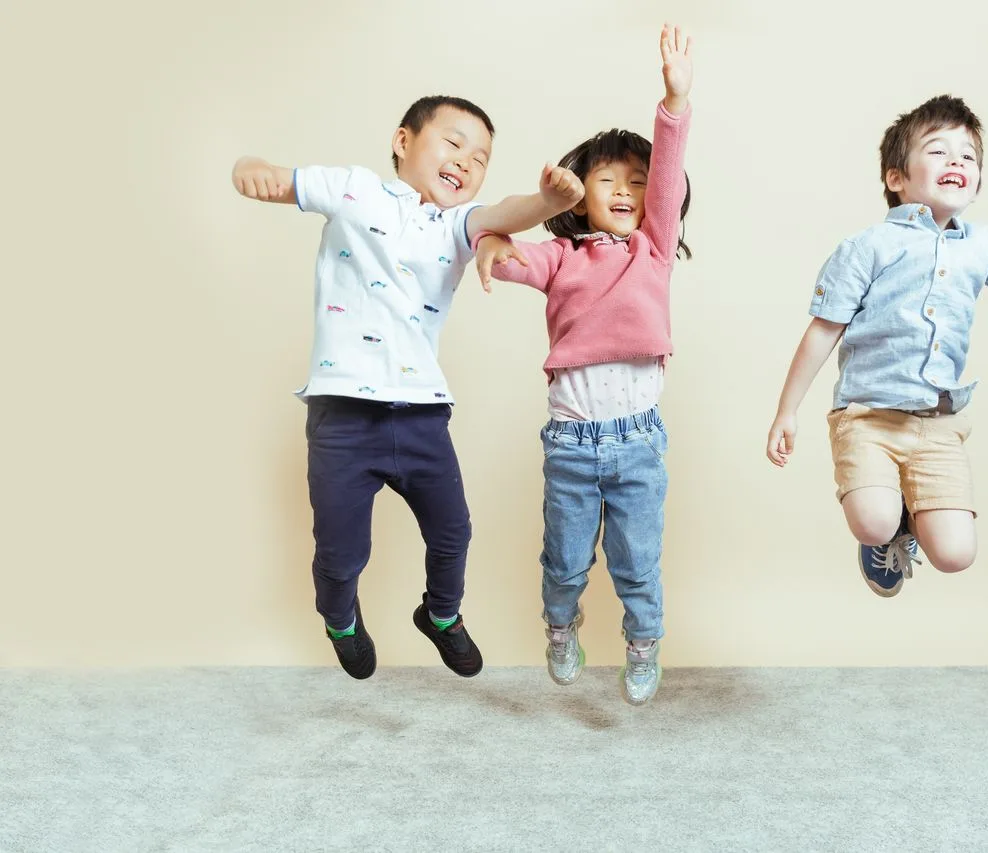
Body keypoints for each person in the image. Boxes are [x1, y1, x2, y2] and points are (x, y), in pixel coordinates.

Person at [231, 95, 585, 679]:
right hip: (342, 416)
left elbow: (502, 212)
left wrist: (546, 202)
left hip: (422, 417)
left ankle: (441, 615)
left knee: (454, 532)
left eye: (481, 158)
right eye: (453, 143)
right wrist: (252, 165)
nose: (465, 162)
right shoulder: (353, 189)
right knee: (342, 553)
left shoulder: (456, 226)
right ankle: (340, 618)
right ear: (403, 141)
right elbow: (275, 177)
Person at [766, 95, 988, 598]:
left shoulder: (986, 246)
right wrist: (787, 411)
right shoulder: (867, 247)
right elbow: (823, 330)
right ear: (896, 178)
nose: (957, 161)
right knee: (873, 521)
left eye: (968, 155)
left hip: (939, 425)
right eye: (939, 151)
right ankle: (888, 528)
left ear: (978, 182)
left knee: (957, 554)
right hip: (868, 416)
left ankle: (910, 521)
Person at [471, 24, 693, 704]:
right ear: (582, 194)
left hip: (637, 441)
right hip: (571, 441)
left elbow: (663, 182)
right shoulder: (560, 257)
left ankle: (644, 642)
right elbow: (505, 251)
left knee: (637, 562)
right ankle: (561, 626)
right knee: (565, 562)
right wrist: (488, 242)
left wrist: (674, 103)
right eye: (607, 180)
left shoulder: (653, 249)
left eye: (636, 181)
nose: (625, 191)